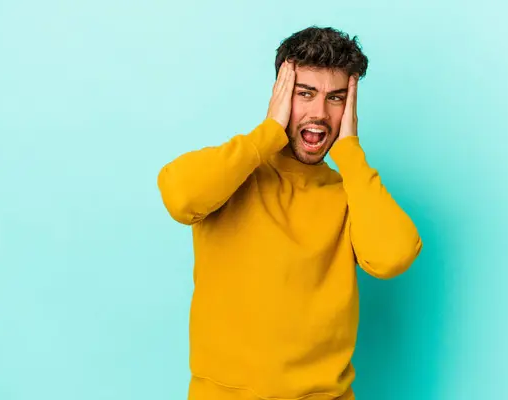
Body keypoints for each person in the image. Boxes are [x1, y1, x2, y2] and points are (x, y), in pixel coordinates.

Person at [157, 26, 423, 400]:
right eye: (305, 94)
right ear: (280, 95)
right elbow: (180, 196)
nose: (319, 113)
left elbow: (393, 256)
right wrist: (267, 133)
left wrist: (349, 152)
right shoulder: (232, 175)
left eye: (336, 98)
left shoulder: (351, 195)